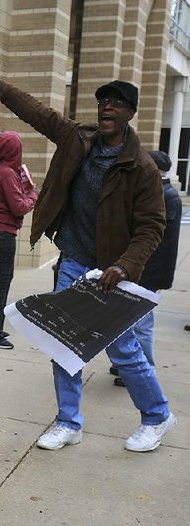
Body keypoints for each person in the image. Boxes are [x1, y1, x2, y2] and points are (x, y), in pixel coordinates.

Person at [0, 71, 176, 452]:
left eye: (117, 103)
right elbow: (35, 112)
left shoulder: (141, 168)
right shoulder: (79, 138)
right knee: (65, 344)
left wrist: (124, 266)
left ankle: (157, 416)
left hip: (111, 271)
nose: (107, 107)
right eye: (103, 100)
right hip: (74, 261)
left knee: (123, 350)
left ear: (130, 113)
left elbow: (151, 226)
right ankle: (68, 421)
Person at [108, 150, 181, 387]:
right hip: (149, 269)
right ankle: (127, 364)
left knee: (142, 322)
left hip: (150, 270)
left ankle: (143, 369)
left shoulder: (163, 195)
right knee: (132, 320)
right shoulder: (165, 194)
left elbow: (150, 239)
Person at [0, 131, 38, 349]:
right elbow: (19, 206)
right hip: (2, 233)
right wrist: (33, 195)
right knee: (0, 284)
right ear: (14, 150)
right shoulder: (8, 173)